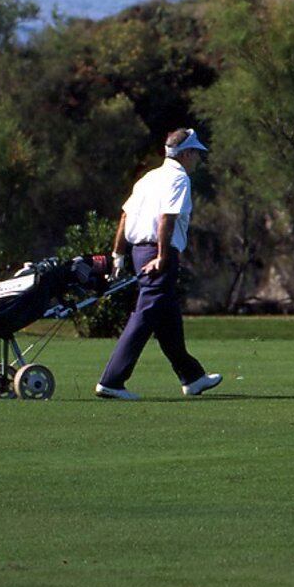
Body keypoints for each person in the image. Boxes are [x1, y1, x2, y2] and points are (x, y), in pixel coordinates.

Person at [95, 128, 223, 400]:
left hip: (139, 251)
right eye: (196, 154)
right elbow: (167, 218)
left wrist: (118, 255)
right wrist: (163, 257)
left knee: (167, 317)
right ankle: (112, 380)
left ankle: (192, 377)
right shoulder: (179, 179)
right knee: (147, 311)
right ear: (186, 154)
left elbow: (125, 216)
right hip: (158, 252)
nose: (198, 160)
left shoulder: (148, 179)